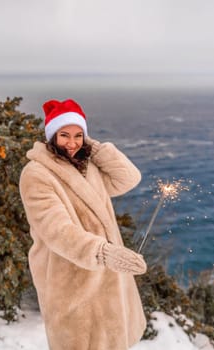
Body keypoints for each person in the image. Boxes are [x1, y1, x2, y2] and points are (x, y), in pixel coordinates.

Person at [19, 98, 147, 350]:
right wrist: (103, 252)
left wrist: (95, 148)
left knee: (113, 339)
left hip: (107, 276)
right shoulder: (36, 174)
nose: (72, 143)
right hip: (70, 278)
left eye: (79, 135)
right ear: (51, 136)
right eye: (64, 135)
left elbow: (128, 178)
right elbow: (56, 230)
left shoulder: (87, 166)